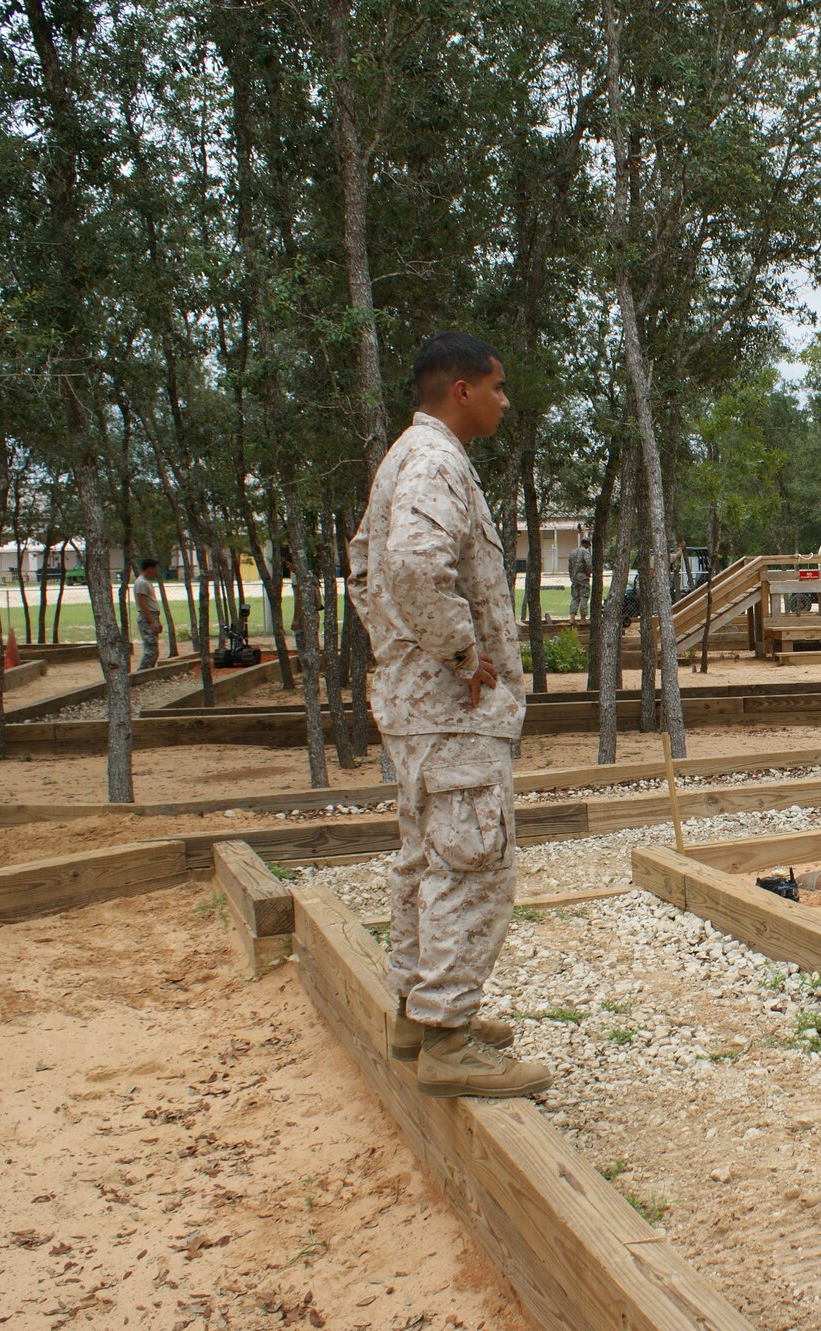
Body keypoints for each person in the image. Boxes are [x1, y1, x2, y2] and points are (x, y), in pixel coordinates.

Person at [346, 331, 552, 1100]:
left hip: (420, 709)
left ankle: (418, 1011)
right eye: (497, 387)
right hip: (449, 710)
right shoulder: (435, 461)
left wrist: (401, 653)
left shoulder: (406, 456)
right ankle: (449, 1040)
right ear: (461, 390)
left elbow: (365, 565)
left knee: (427, 858)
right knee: (473, 863)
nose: (505, 401)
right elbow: (407, 564)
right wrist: (462, 654)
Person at [132, 559, 164, 671]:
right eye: (155, 569)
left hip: (153, 616)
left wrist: (157, 621)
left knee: (154, 650)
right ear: (149, 568)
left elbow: (152, 603)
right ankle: (142, 673)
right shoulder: (141, 583)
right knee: (150, 651)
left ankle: (149, 672)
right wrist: (151, 622)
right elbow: (142, 604)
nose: (156, 572)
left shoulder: (146, 582)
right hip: (147, 618)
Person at [565, 526, 592, 621]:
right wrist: (589, 573)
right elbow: (589, 564)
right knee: (584, 596)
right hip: (583, 576)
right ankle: (583, 618)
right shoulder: (585, 552)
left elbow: (569, 567)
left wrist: (571, 577)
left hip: (574, 577)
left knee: (575, 597)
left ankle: (572, 617)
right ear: (587, 544)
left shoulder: (572, 552)